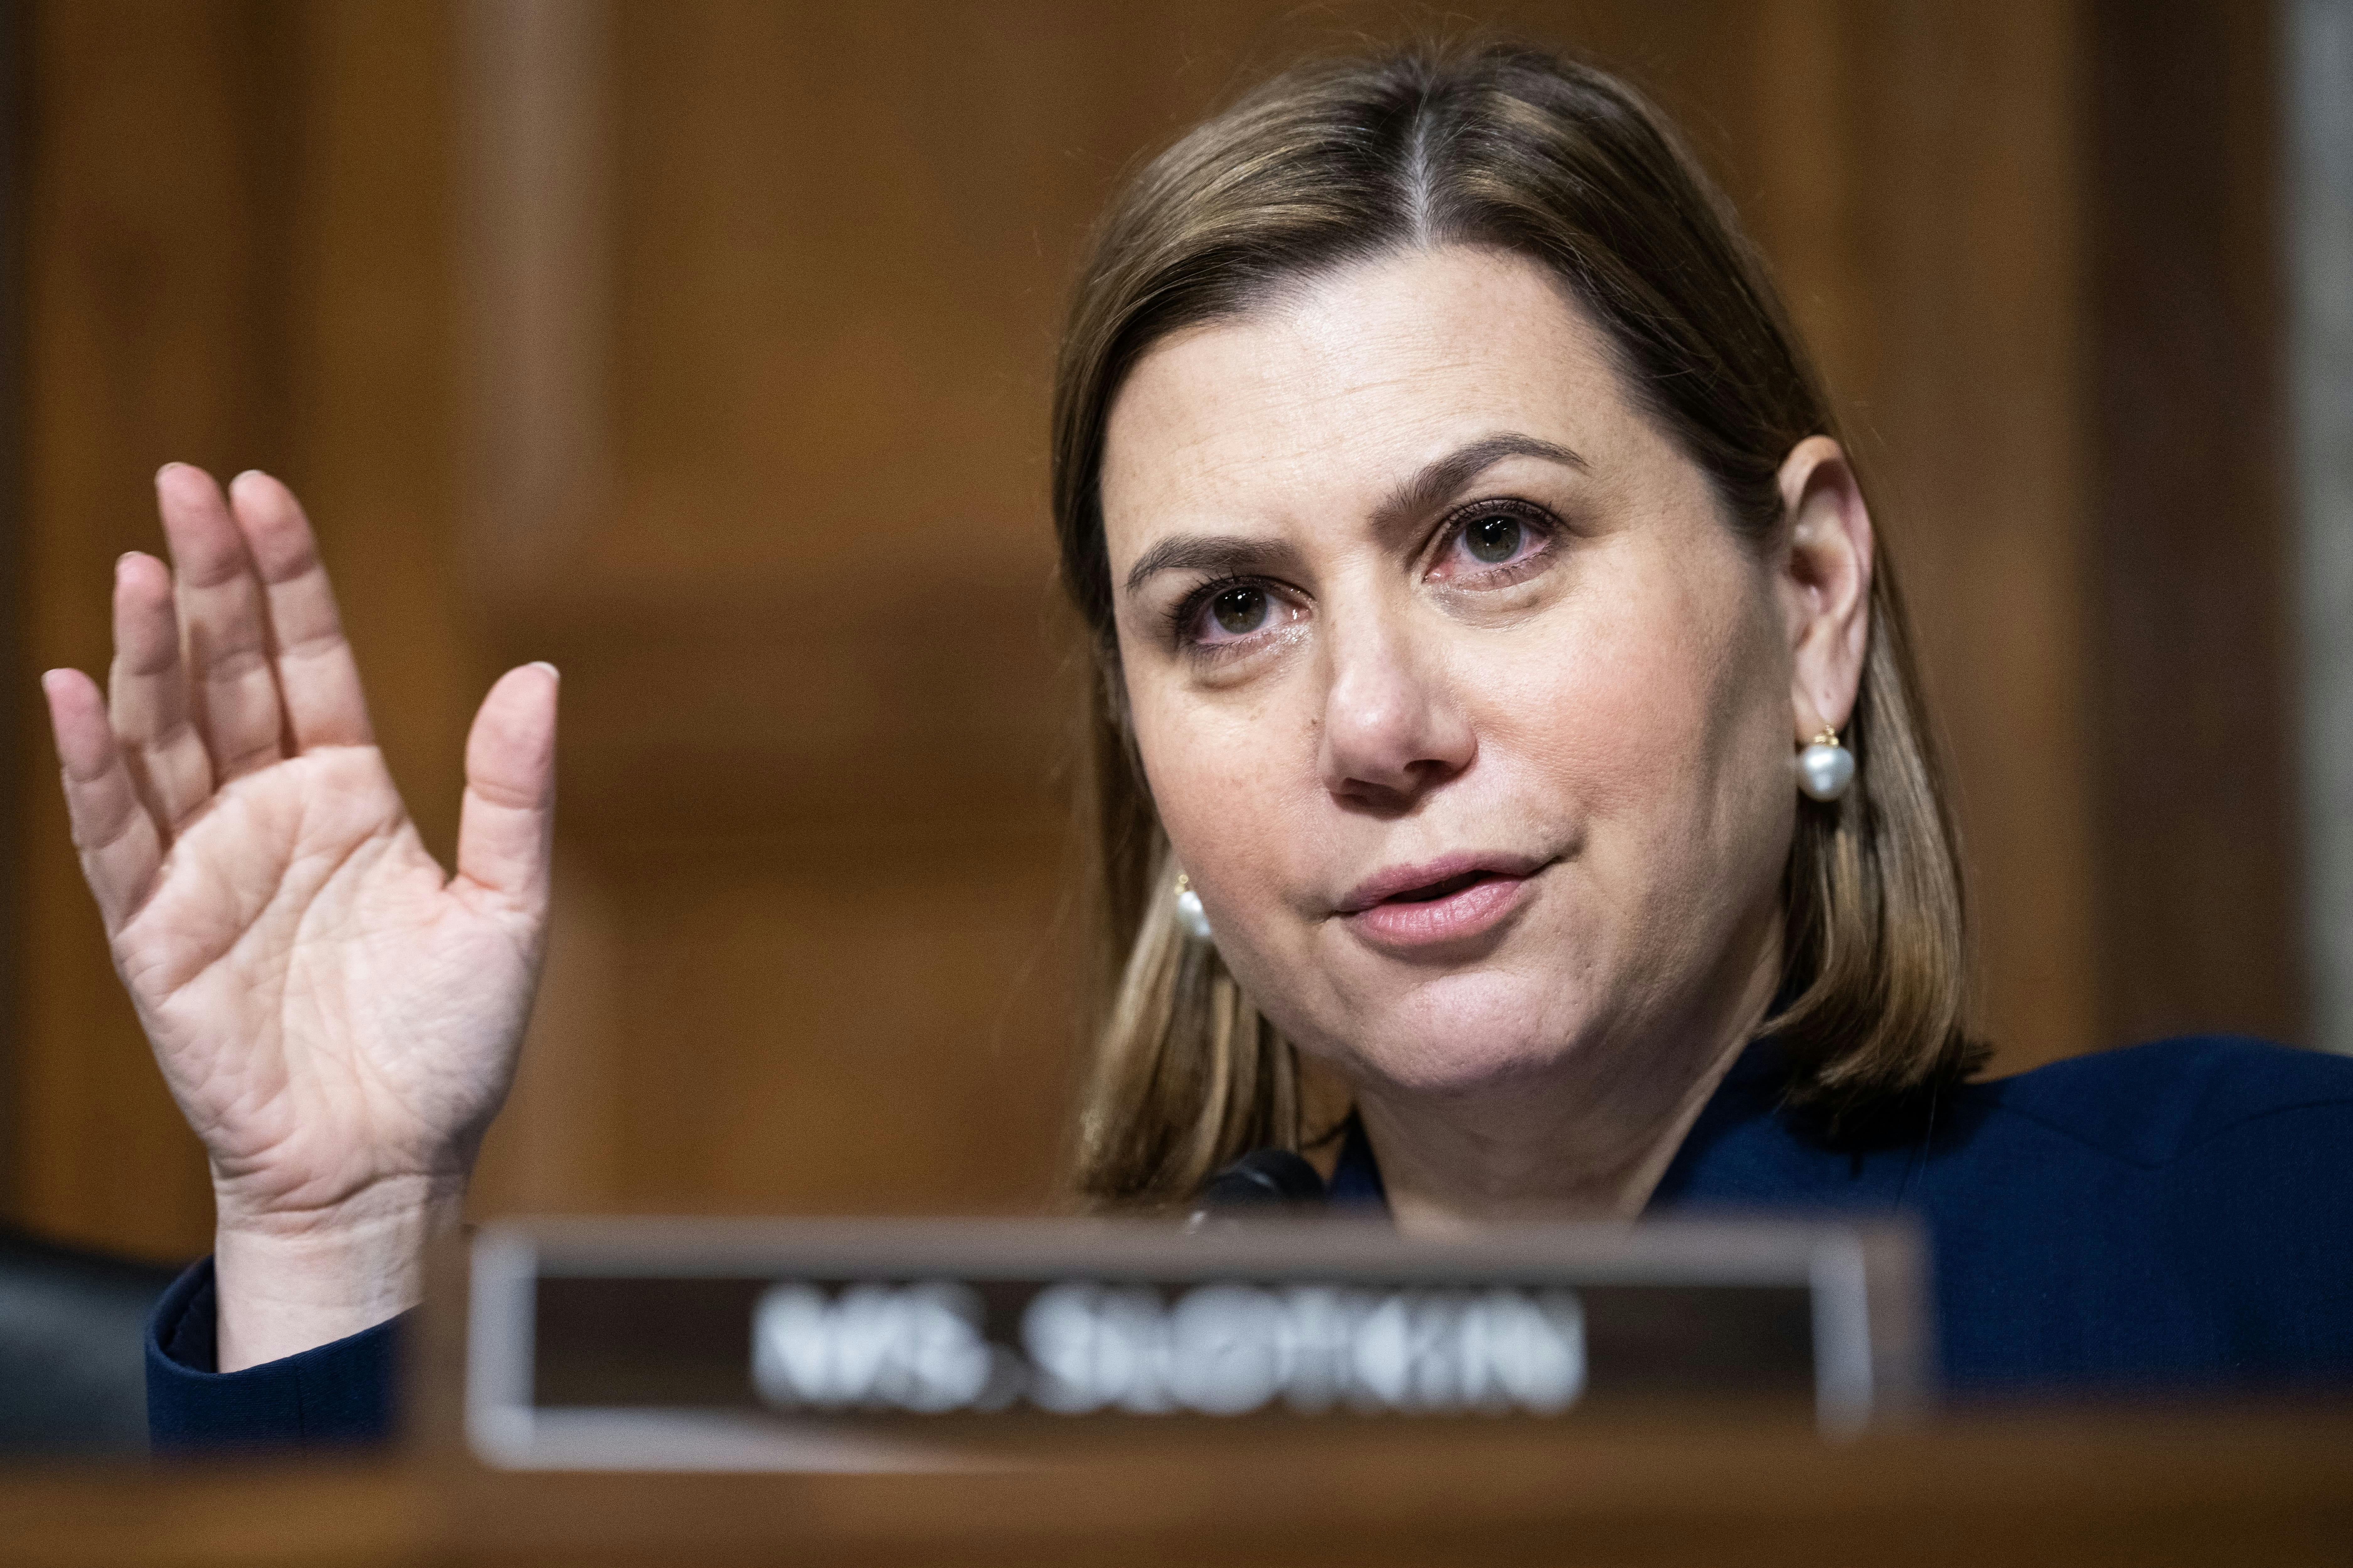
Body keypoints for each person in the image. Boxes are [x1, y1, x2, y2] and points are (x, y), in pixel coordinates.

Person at [39, 44, 2351, 1451]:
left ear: (1813, 596)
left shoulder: (2251, 1237)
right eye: (1231, 612)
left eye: (1498, 537)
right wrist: (333, 1227)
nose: (1371, 723)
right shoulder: (1001, 1428)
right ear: (1148, 750)